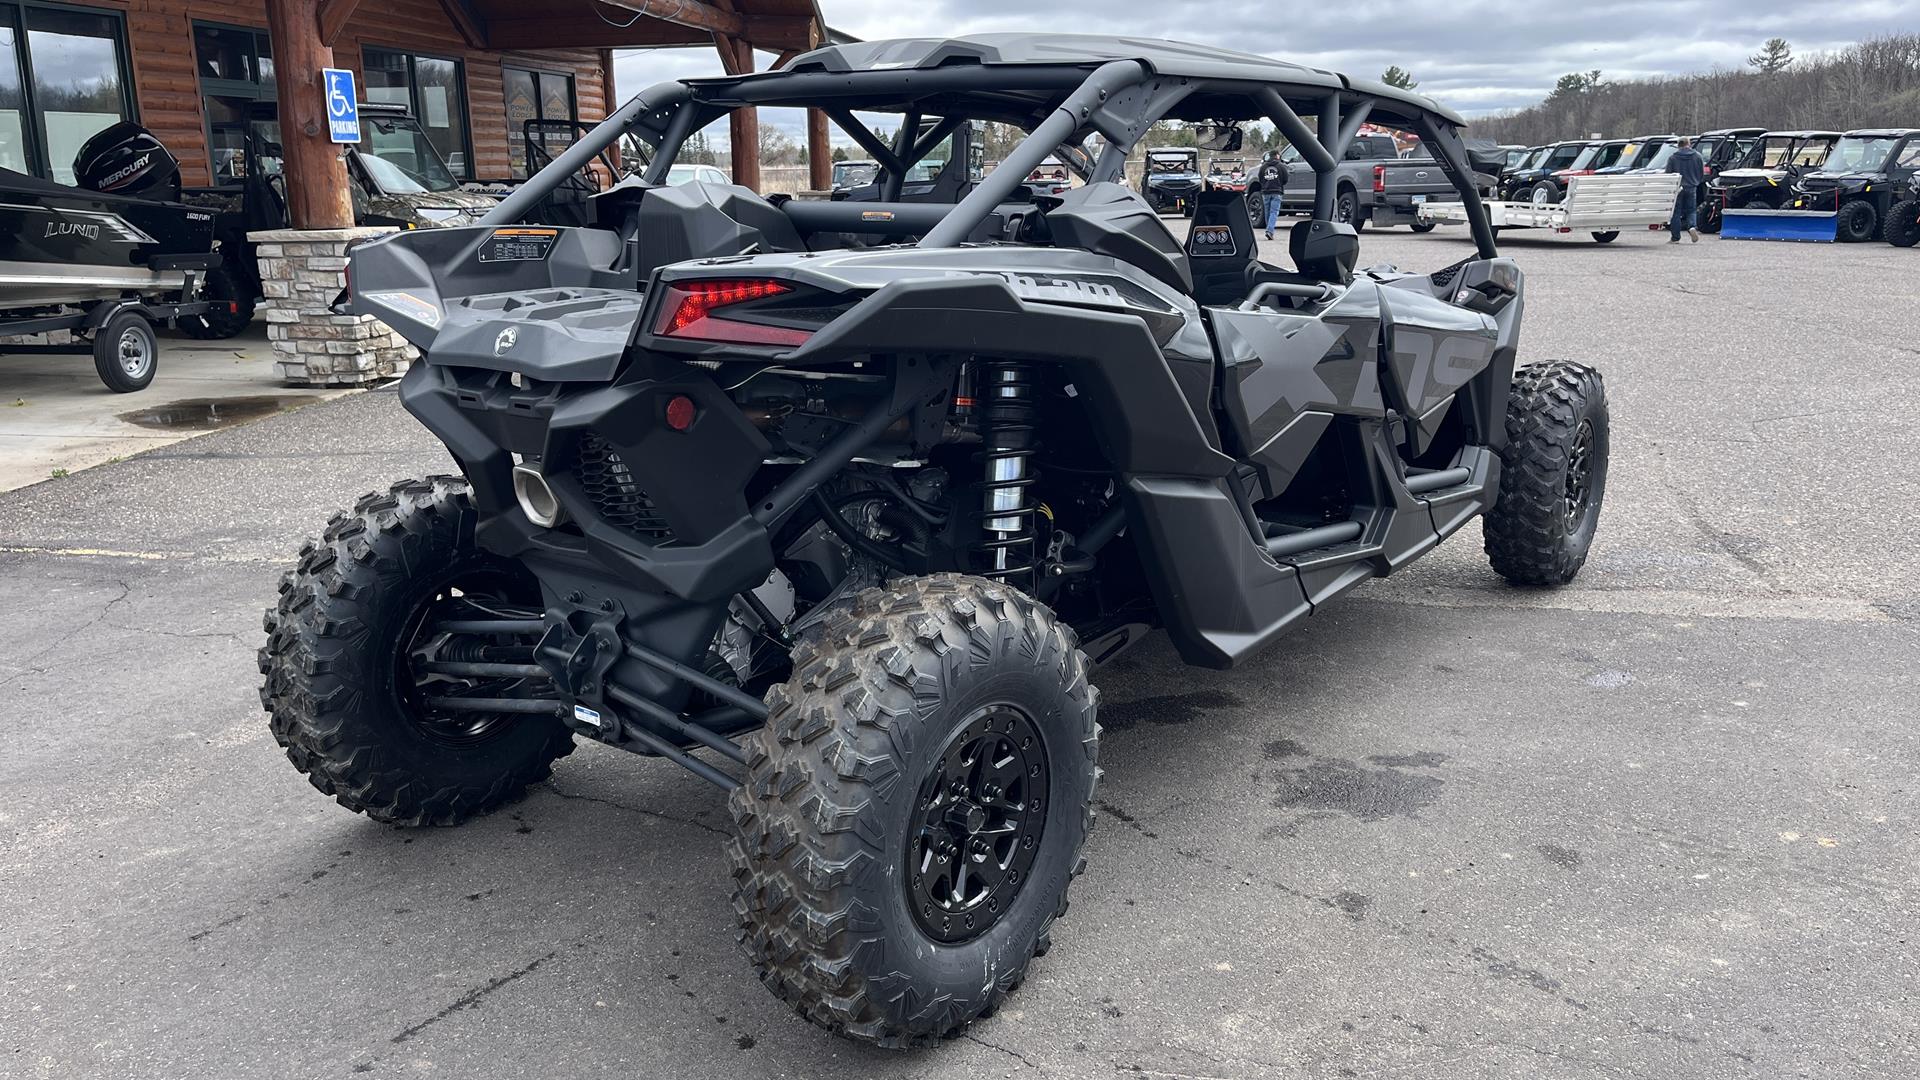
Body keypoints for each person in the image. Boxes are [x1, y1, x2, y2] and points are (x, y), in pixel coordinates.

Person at [1664, 136, 1705, 243]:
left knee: (1676, 212)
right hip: (1692, 187)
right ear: (1689, 144)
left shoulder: (1673, 158)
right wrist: (1696, 181)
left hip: (1677, 188)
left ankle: (1675, 237)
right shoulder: (1697, 156)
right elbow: (1701, 173)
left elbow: (1668, 174)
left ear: (1678, 145)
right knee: (1691, 210)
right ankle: (1692, 226)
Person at [1253, 149, 1290, 240]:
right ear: (1277, 155)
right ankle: (1269, 231)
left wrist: (1265, 185)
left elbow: (1260, 178)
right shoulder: (1281, 166)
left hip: (1265, 192)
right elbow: (1285, 179)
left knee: (1267, 212)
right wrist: (1279, 184)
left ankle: (1268, 230)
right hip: (1277, 192)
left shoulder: (1263, 167)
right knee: (1274, 212)